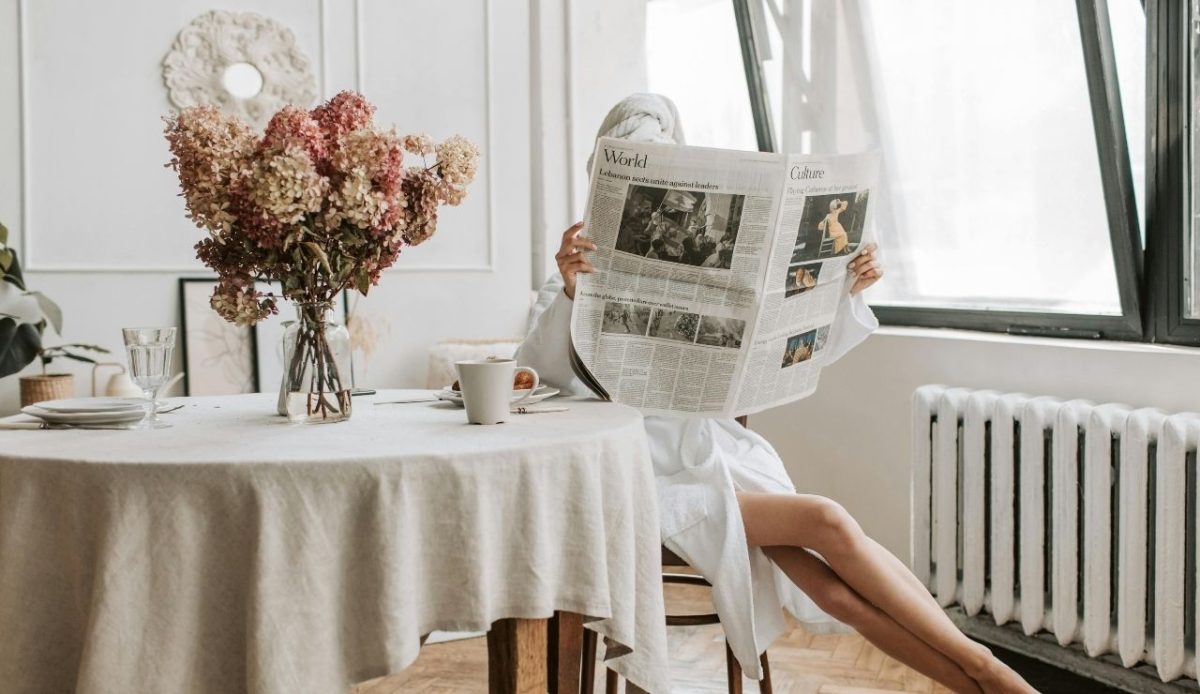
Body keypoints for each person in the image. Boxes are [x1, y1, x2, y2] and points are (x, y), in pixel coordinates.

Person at [516, 93, 1035, 694]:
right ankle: (985, 668)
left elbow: (794, 349)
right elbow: (539, 380)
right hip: (637, 481)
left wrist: (843, 289)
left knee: (830, 585)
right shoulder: (573, 273)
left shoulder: (703, 264)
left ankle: (978, 679)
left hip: (720, 456)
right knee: (826, 520)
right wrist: (573, 295)